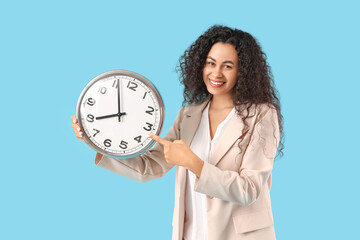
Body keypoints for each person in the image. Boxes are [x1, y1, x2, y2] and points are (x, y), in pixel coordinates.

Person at [71, 25, 284, 240]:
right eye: (211, 63)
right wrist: (94, 140)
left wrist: (194, 163)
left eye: (227, 66)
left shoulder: (262, 115)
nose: (216, 73)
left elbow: (248, 189)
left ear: (244, 71)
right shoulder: (188, 115)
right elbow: (150, 167)